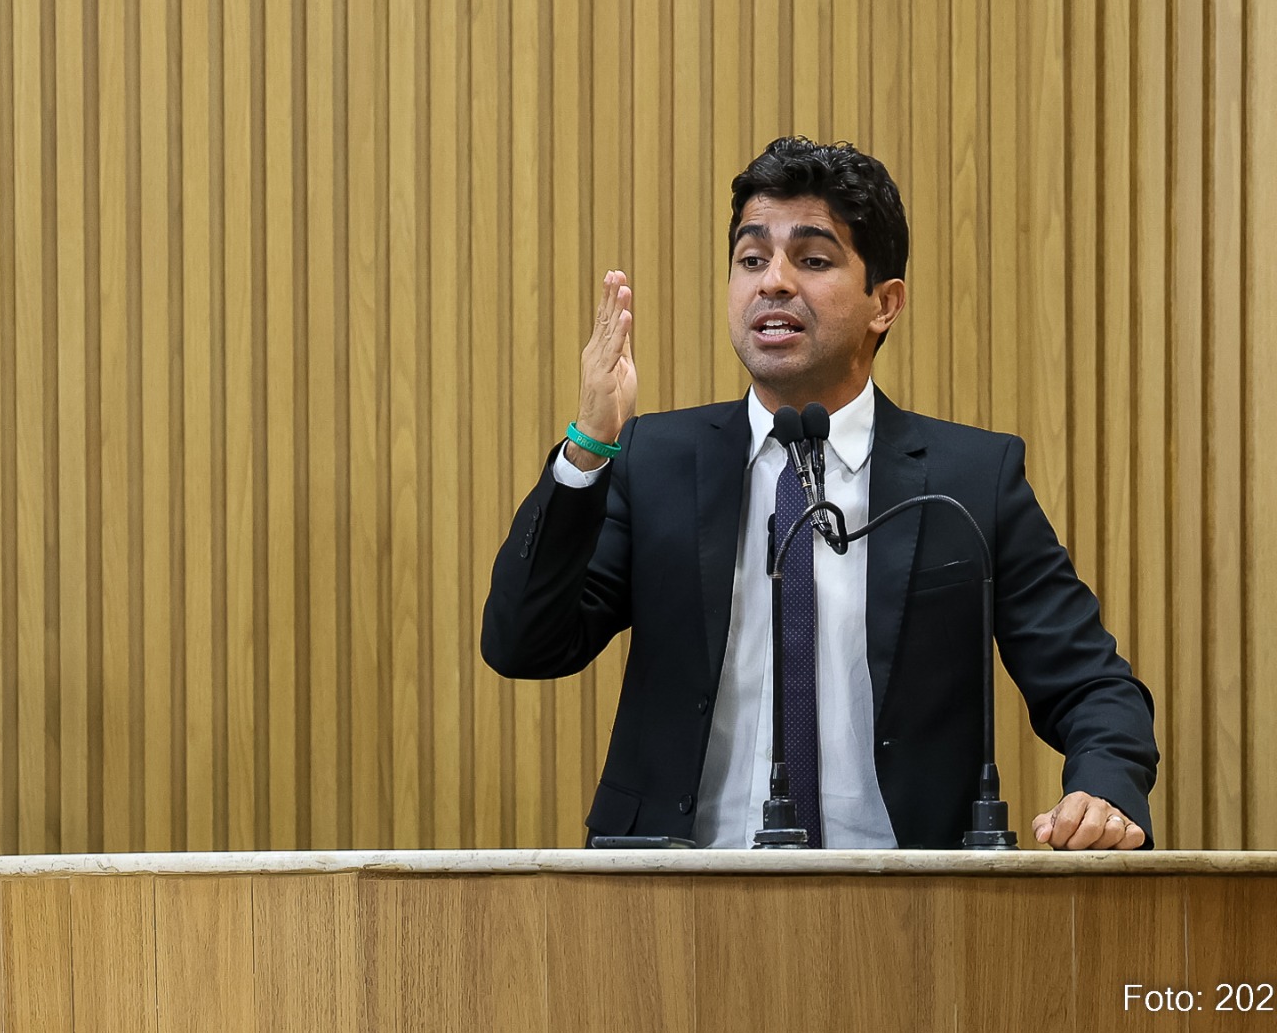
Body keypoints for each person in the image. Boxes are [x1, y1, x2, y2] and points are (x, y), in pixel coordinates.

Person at [482, 137, 1157, 850]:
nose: (773, 282)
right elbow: (525, 643)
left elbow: (1093, 686)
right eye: (751, 259)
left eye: (812, 259)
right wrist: (588, 445)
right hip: (672, 902)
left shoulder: (967, 482)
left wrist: (1103, 789)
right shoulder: (657, 462)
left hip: (908, 905)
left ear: (884, 304)